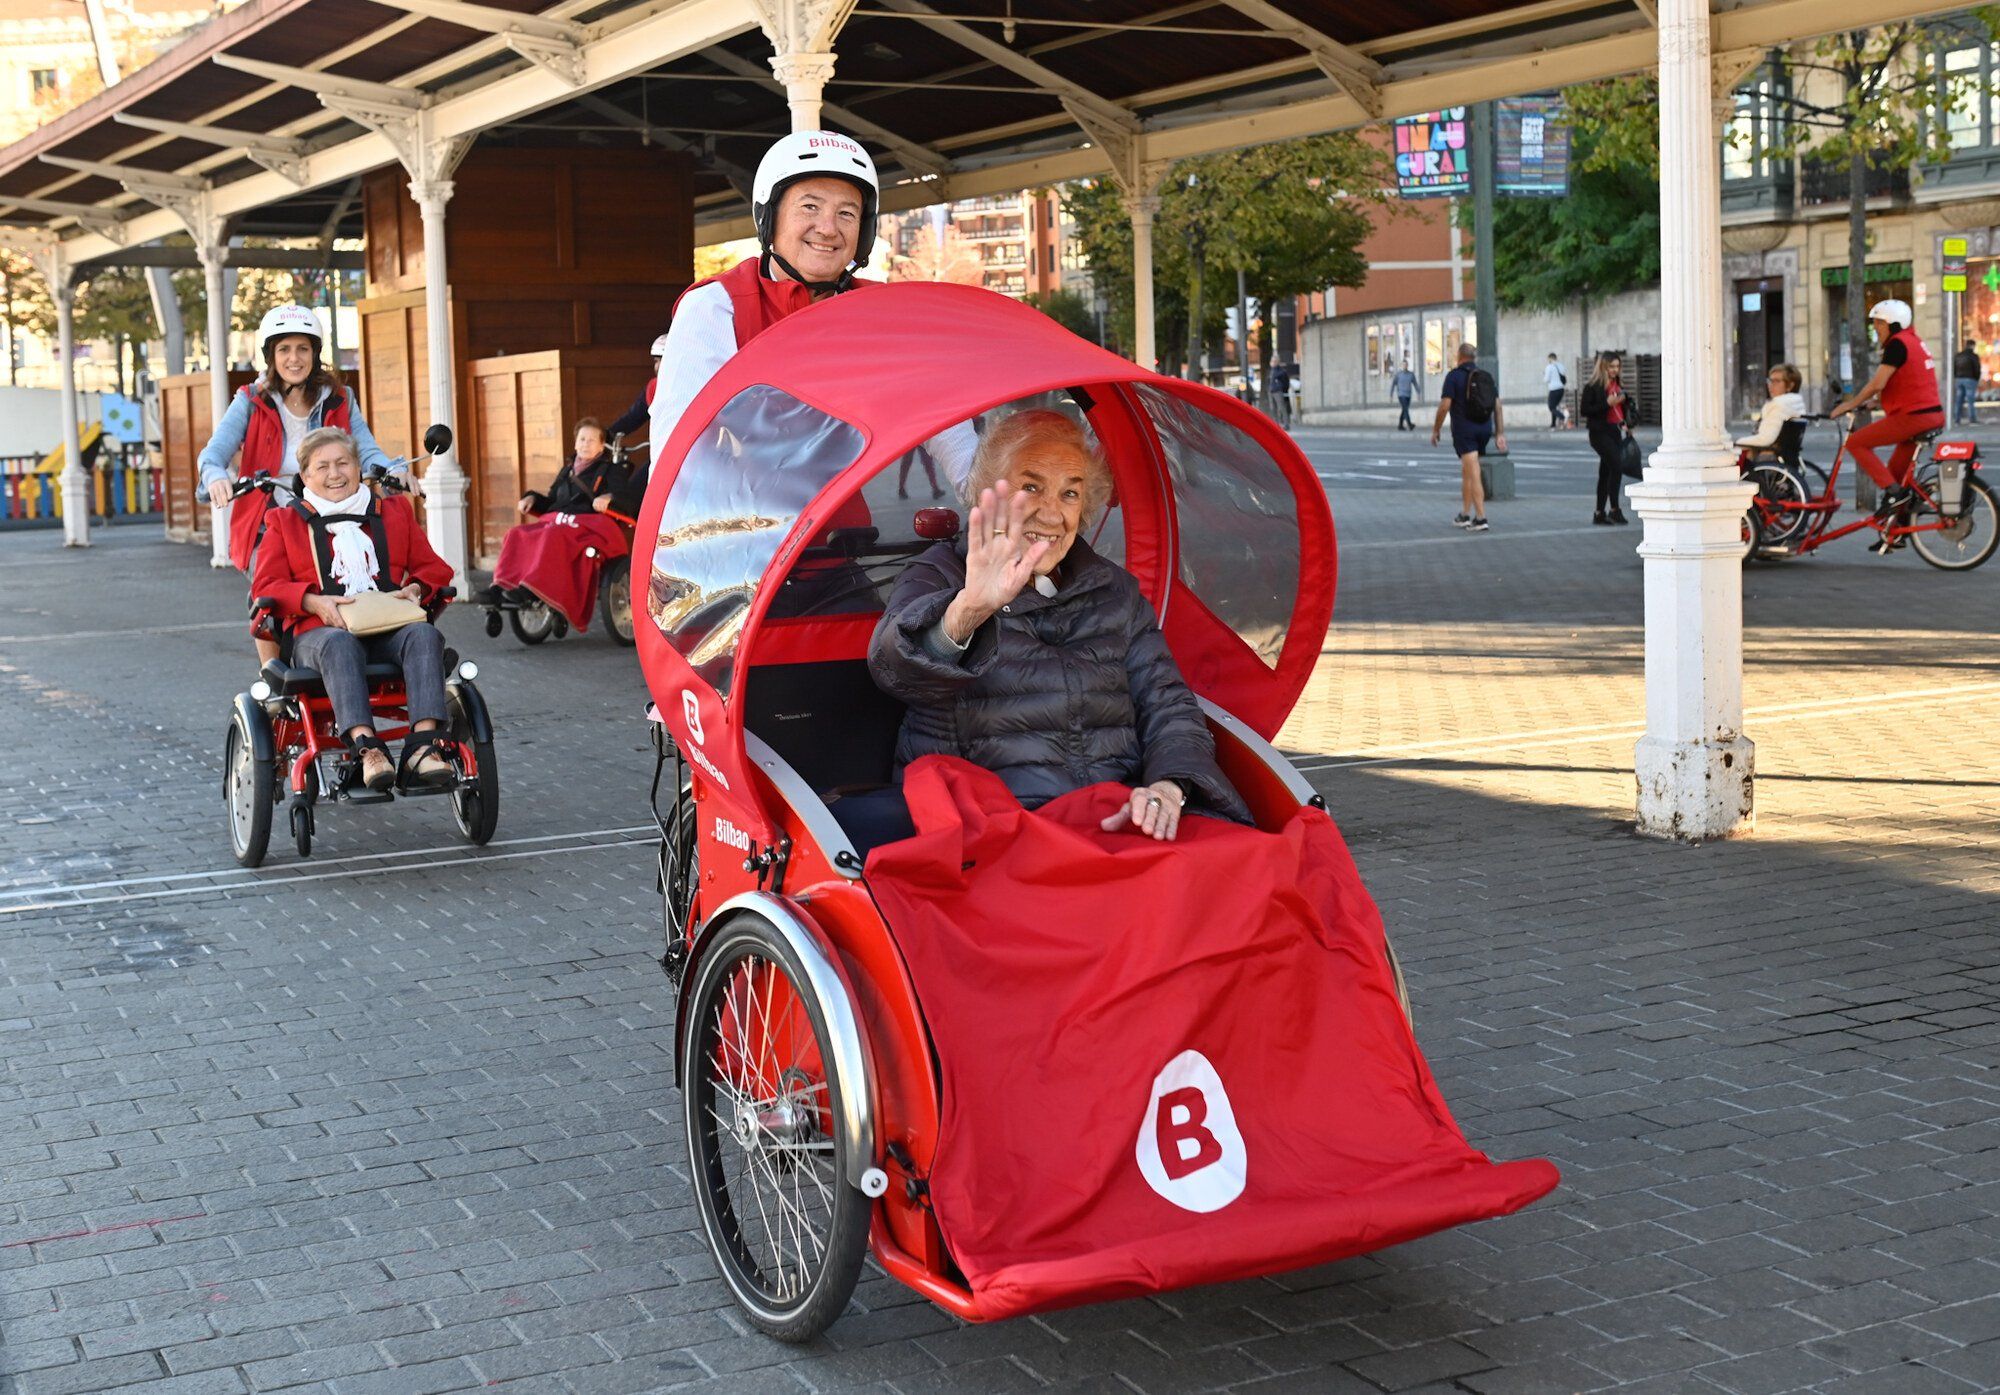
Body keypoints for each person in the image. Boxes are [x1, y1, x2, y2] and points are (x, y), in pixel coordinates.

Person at [854, 409, 1251, 853]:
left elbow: (1169, 707)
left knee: (1264, 867)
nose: (1051, 513)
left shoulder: (1115, 593)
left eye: (1070, 494)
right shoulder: (940, 575)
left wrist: (1167, 788)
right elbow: (894, 670)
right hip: (993, 836)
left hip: (1116, 823)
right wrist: (970, 608)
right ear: (988, 493)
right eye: (1030, 487)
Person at [250, 427, 455, 792]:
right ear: (305, 476)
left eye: (343, 463)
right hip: (319, 633)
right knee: (339, 644)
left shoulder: (393, 512)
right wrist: (313, 601)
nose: (335, 474)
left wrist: (416, 587)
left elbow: (433, 568)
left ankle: (421, 748)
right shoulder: (284, 522)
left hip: (387, 625)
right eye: (323, 466)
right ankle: (367, 749)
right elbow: (265, 588)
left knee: (424, 633)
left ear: (358, 467)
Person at [200, 304, 402, 572]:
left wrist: (393, 469)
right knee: (272, 589)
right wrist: (215, 476)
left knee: (365, 582)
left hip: (335, 517)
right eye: (284, 349)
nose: (294, 358)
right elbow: (213, 454)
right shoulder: (250, 400)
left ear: (315, 354)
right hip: (268, 521)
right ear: (271, 355)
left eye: (302, 349)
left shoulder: (340, 398)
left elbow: (367, 451)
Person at [469, 417, 640, 615]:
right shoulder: (567, 471)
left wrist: (609, 497)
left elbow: (626, 498)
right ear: (575, 443)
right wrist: (531, 498)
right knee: (516, 533)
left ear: (602, 446)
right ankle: (501, 587)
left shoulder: (612, 470)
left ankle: (531, 589)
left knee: (552, 535)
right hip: (560, 521)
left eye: (592, 440)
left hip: (590, 526)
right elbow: (553, 502)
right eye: (582, 439)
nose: (585, 444)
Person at [1830, 299, 1943, 555]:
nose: (1876, 329)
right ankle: (1896, 531)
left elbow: (1877, 383)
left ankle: (1895, 496)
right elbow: (1909, 381)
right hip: (1930, 414)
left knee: (1856, 442)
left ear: (1894, 324)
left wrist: (1851, 404)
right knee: (1895, 473)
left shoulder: (1897, 345)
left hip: (1914, 417)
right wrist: (1874, 404)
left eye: (1879, 324)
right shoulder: (1913, 342)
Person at [1430, 343, 1505, 531]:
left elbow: (1445, 406)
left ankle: (1481, 517)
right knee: (1467, 470)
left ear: (1459, 356)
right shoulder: (1485, 376)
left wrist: (1436, 429)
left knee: (1473, 471)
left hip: (1465, 430)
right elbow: (1498, 406)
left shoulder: (1454, 376)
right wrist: (1500, 433)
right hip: (1484, 429)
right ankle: (1464, 514)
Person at [1578, 352, 1636, 526]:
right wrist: (1607, 403)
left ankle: (1599, 513)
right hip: (1599, 433)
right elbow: (1584, 410)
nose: (1615, 370)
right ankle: (1614, 510)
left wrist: (1627, 422)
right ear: (1603, 367)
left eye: (1617, 366)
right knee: (1617, 466)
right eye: (1611, 366)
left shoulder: (1617, 384)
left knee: (1606, 472)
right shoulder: (1593, 386)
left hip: (1615, 431)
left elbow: (1619, 410)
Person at [1736, 363, 1808, 464]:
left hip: (1770, 452)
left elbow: (1766, 439)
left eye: (1777, 381)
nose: (1771, 385)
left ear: (1790, 385)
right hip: (1785, 453)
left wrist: (1739, 442)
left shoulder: (1779, 405)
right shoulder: (1795, 403)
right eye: (1770, 380)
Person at [606, 333, 668, 448]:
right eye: (656, 361)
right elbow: (634, 417)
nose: (658, 366)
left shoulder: (692, 388)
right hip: (661, 450)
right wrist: (606, 436)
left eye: (664, 360)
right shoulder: (653, 388)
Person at [1953, 340, 1981, 425]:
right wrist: (1976, 379)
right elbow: (1977, 368)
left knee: (1959, 400)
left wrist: (1956, 377)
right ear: (1972, 346)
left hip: (1959, 379)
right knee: (1970, 400)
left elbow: (1954, 368)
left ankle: (1957, 420)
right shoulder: (1973, 356)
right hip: (1970, 379)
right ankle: (1972, 419)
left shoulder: (1958, 355)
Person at [1544, 353, 1569, 428]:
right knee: (1554, 407)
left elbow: (1546, 379)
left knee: (1551, 407)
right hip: (1561, 389)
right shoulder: (1561, 365)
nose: (1548, 361)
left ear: (1550, 359)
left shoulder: (1549, 367)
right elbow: (1563, 373)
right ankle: (1553, 424)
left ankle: (1562, 417)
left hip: (1553, 389)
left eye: (1548, 359)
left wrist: (1544, 375)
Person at [1391, 359, 1417, 431]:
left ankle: (1400, 425)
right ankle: (1410, 424)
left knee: (1404, 410)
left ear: (1407, 365)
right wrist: (1391, 395)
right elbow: (1393, 384)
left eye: (1406, 365)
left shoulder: (1411, 374)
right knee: (1405, 409)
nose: (1404, 366)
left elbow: (1415, 383)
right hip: (1401, 395)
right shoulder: (1398, 375)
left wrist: (1418, 392)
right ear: (1401, 366)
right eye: (1403, 365)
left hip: (1408, 395)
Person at [1268, 360, 1292, 428]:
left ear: (1276, 362)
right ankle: (1276, 424)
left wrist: (1282, 388)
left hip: (1278, 391)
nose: (1271, 363)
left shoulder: (1280, 371)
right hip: (1272, 390)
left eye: (1273, 361)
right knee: (1273, 408)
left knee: (1281, 407)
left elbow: (1285, 381)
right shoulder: (1271, 371)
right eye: (1271, 361)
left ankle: (1286, 424)